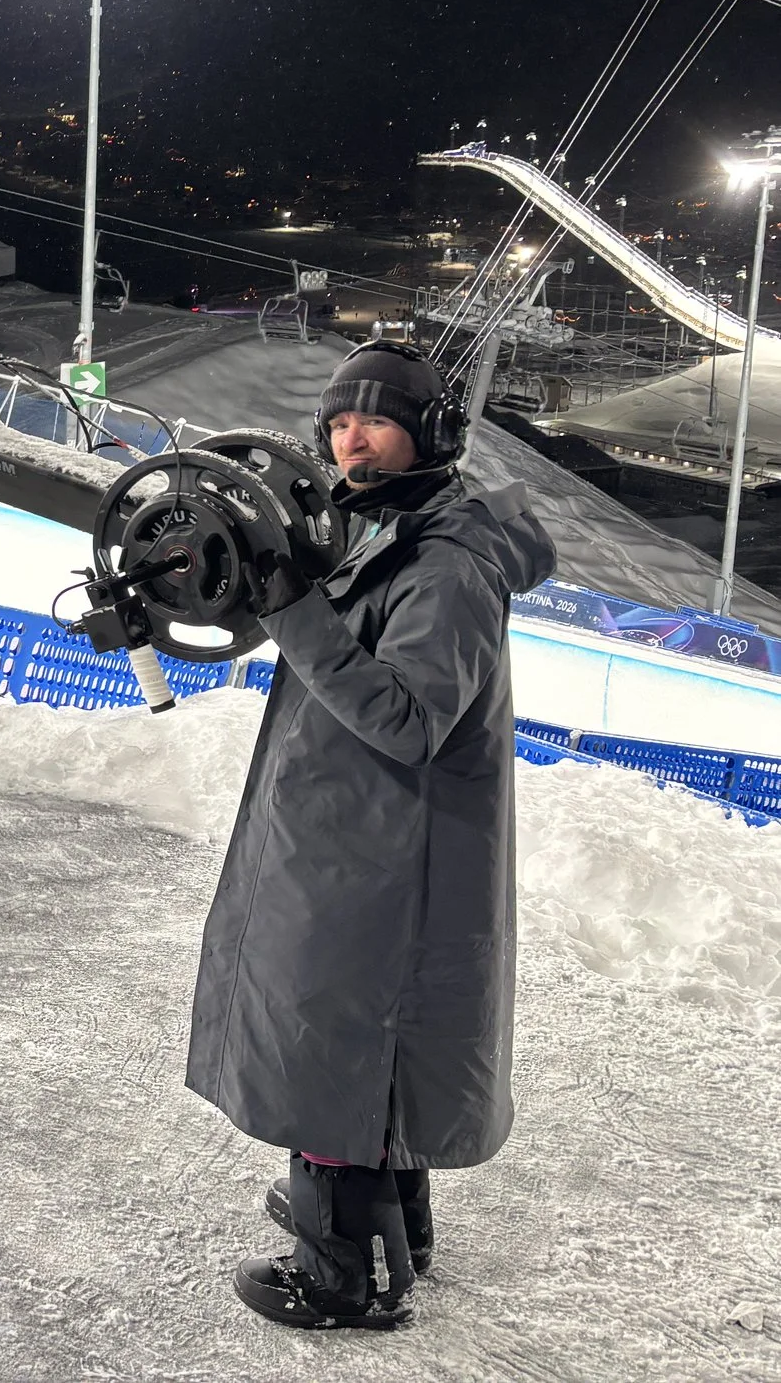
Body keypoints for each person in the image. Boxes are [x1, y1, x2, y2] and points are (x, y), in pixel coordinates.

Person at [186, 341, 556, 1331]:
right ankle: (394, 1227)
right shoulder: (388, 524)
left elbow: (407, 718)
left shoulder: (448, 564)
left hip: (384, 854)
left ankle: (345, 1276)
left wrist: (290, 610)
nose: (352, 437)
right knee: (348, 1045)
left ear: (427, 434)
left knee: (339, 1048)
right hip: (352, 834)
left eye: (378, 420)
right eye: (341, 420)